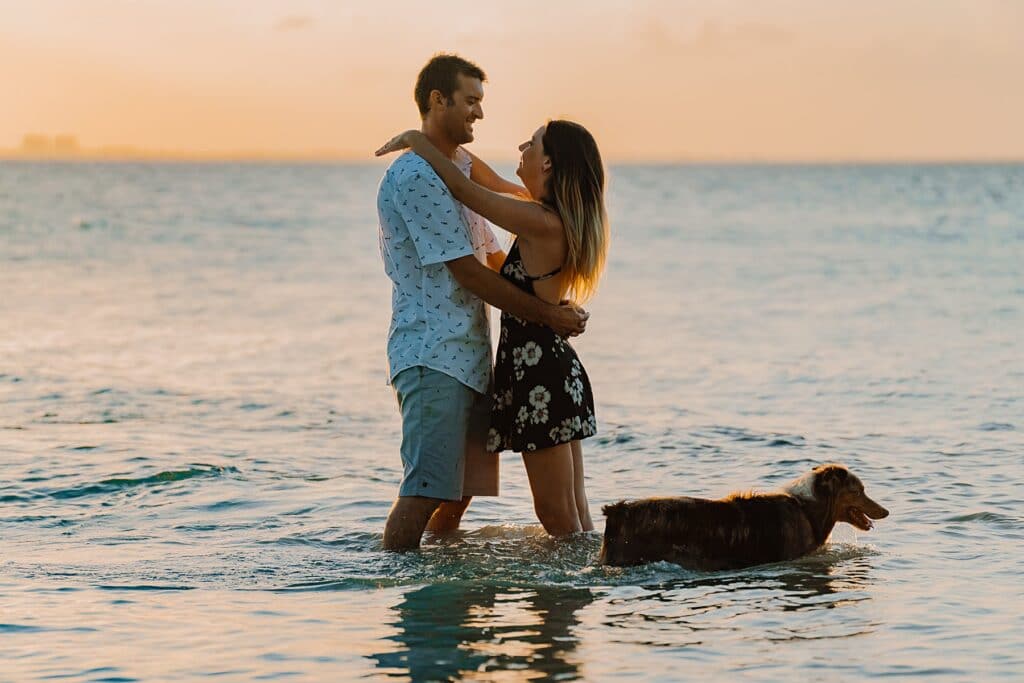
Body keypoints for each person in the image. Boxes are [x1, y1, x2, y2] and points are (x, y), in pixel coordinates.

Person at [376, 54, 589, 551]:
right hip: (433, 355)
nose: (479, 113)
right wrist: (549, 314)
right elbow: (469, 273)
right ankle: (400, 589)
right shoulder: (417, 178)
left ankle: (447, 605)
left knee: (456, 498)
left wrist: (552, 290)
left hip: (472, 358)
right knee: (425, 490)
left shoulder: (458, 168)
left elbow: (493, 249)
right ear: (438, 100)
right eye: (471, 101)